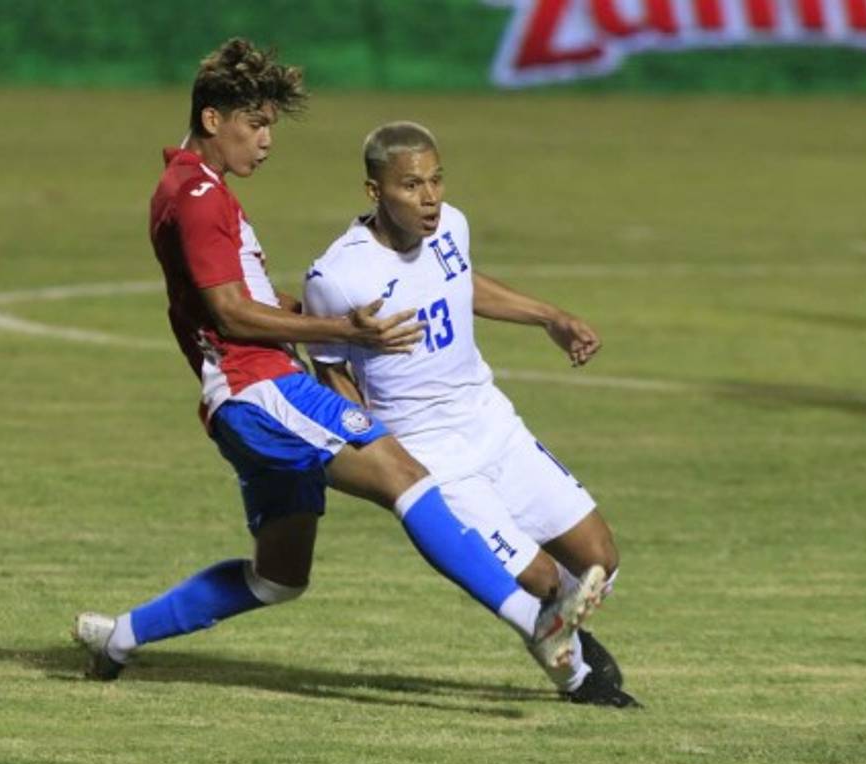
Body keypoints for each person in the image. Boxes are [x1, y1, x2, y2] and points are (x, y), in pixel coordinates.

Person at [72, 39, 605, 683]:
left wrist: (313, 310)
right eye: (255, 124)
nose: (266, 140)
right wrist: (338, 327)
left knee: (277, 577)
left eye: (270, 124)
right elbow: (232, 313)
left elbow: (246, 297)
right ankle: (533, 619)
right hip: (260, 388)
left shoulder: (187, 185)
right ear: (213, 119)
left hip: (241, 400)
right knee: (407, 477)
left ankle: (122, 638)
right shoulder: (200, 199)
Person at [302, 121, 638, 708]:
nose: (429, 197)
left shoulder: (451, 225)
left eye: (435, 180)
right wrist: (377, 458)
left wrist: (549, 317)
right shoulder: (337, 276)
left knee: (599, 559)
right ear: (374, 191)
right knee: (537, 579)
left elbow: (461, 284)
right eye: (411, 185)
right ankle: (578, 676)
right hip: (430, 454)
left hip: (492, 424)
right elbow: (331, 373)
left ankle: (562, 632)